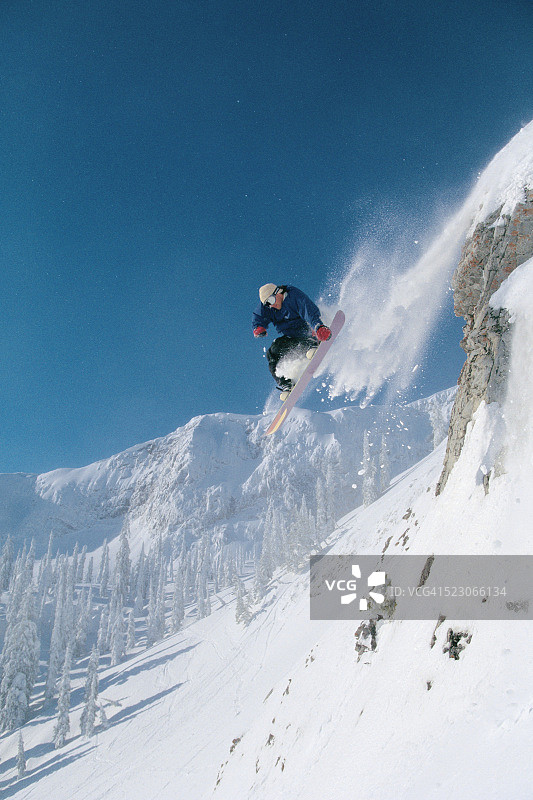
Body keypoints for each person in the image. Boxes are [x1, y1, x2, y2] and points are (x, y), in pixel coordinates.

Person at [252, 284, 332, 398]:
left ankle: (312, 345)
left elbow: (308, 311)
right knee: (273, 351)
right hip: (292, 338)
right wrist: (258, 327)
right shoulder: (270, 306)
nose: (272, 304)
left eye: (271, 300)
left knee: (302, 338)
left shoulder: (294, 296)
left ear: (278, 292)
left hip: (308, 332)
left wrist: (318, 326)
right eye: (267, 303)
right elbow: (258, 315)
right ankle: (286, 383)